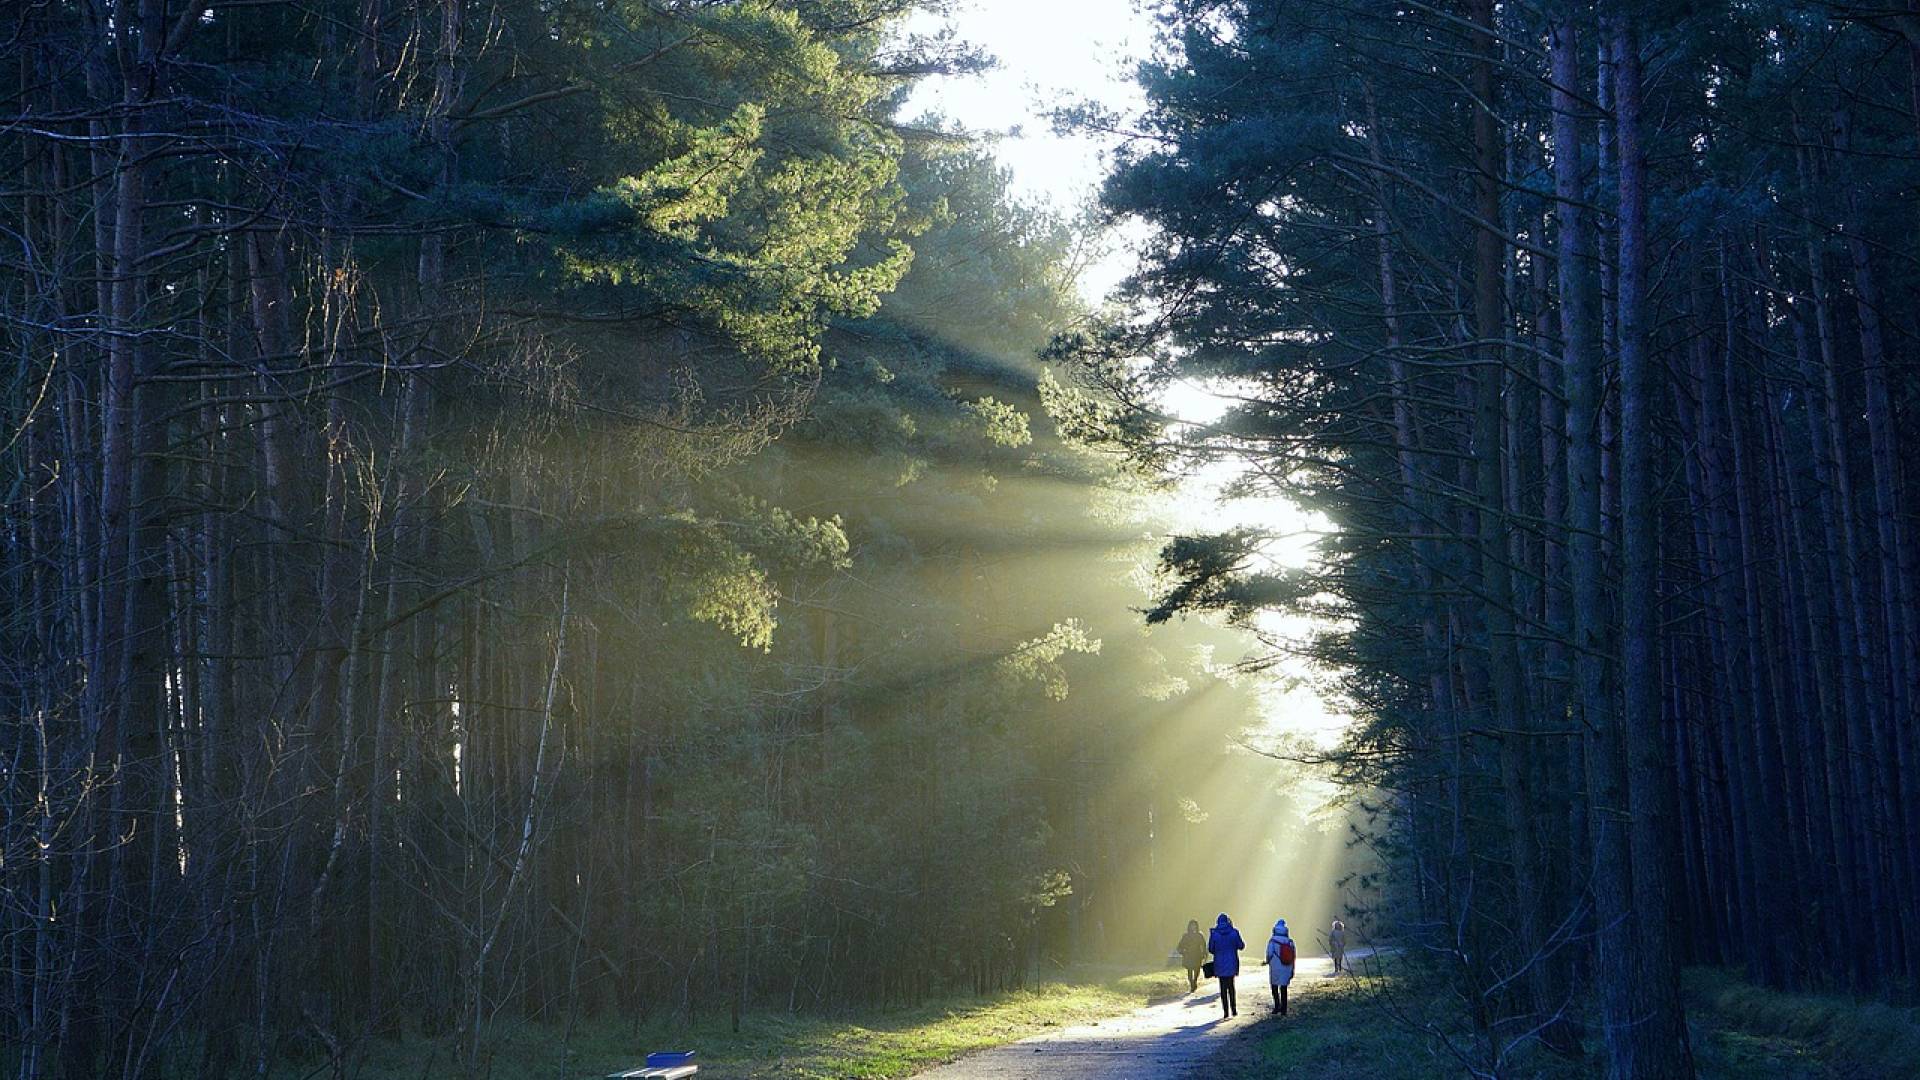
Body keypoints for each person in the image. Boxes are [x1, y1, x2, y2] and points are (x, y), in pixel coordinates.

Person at [1207, 912, 1244, 1018]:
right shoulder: (1234, 932)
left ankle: (1225, 1012)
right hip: (1232, 962)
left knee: (1223, 988)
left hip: (1219, 963)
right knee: (1231, 986)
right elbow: (1241, 946)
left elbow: (1211, 949)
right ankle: (1234, 1009)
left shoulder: (1214, 934)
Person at [1264, 918, 1296, 1015]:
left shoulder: (1272, 941)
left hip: (1275, 967)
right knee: (1284, 988)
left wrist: (1267, 961)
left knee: (1274, 986)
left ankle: (1277, 1006)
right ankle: (1284, 1009)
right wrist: (1292, 969)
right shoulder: (1290, 942)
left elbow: (1269, 954)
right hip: (1287, 966)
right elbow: (1293, 955)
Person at [1178, 919, 1208, 993]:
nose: (1193, 927)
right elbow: (1180, 946)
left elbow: (1203, 945)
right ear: (1189, 926)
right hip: (1188, 955)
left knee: (1197, 969)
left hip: (1197, 955)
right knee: (1190, 970)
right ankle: (1192, 983)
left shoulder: (1199, 935)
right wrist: (1182, 951)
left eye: (1194, 925)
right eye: (1192, 925)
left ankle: (1195, 981)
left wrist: (1204, 953)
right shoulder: (1186, 936)